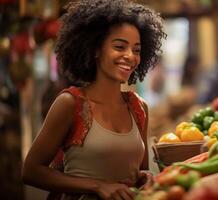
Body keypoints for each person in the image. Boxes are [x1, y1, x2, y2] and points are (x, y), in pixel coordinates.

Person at [22, 0, 166, 199]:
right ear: (96, 49)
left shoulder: (139, 107)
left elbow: (138, 173)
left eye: (137, 49)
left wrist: (146, 176)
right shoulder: (70, 103)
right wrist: (97, 186)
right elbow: (31, 171)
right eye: (119, 47)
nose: (130, 56)